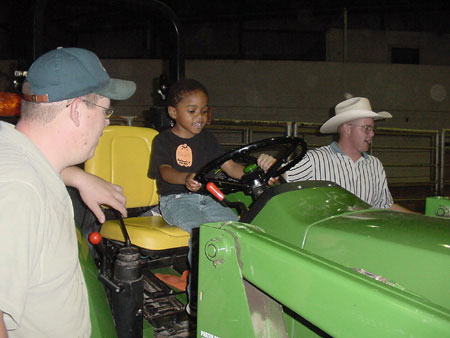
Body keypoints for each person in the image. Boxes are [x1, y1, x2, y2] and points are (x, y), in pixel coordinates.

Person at [0, 47, 136, 338]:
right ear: (76, 111)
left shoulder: (16, 151)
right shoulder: (17, 191)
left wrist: (76, 176)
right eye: (106, 110)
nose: (108, 122)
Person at [149, 78, 245, 315]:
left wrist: (259, 173)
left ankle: (234, 292)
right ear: (173, 112)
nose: (199, 116)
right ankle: (199, 302)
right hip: (176, 200)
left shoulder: (208, 140)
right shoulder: (163, 140)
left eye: (203, 110)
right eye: (191, 111)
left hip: (209, 198)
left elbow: (231, 167)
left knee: (237, 231)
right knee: (204, 236)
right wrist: (185, 178)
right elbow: (165, 172)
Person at [258, 96, 411, 212]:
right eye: (366, 128)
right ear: (347, 129)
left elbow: (386, 206)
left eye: (372, 129)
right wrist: (269, 163)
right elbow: (281, 174)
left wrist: (421, 219)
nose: (372, 134)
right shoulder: (316, 159)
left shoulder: (375, 165)